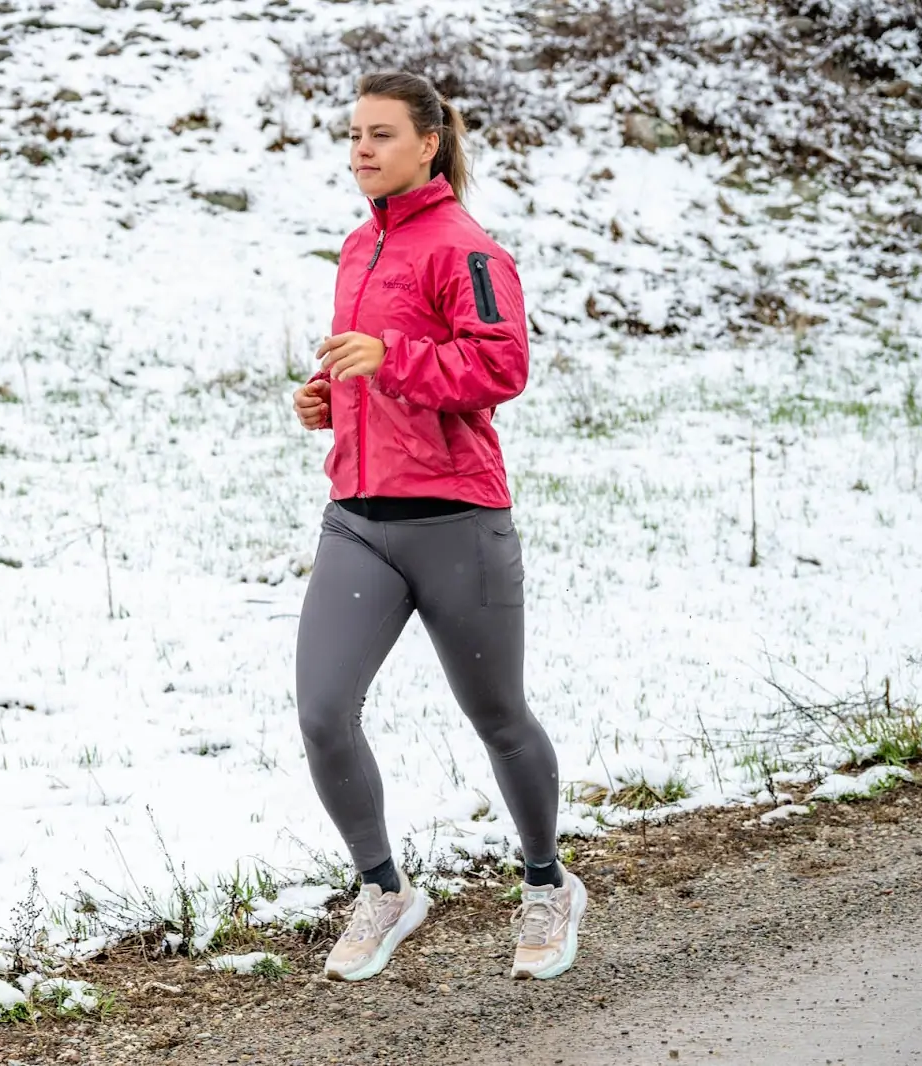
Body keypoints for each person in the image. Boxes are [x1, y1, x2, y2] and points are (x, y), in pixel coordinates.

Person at [291, 70, 587, 983]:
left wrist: (392, 358)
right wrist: (330, 402)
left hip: (458, 518)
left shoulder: (468, 250)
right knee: (323, 711)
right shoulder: (357, 248)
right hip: (359, 521)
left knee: (498, 716)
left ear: (429, 143)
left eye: (380, 135)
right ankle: (383, 890)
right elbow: (376, 376)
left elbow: (501, 367)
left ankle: (546, 882)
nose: (361, 152)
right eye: (352, 136)